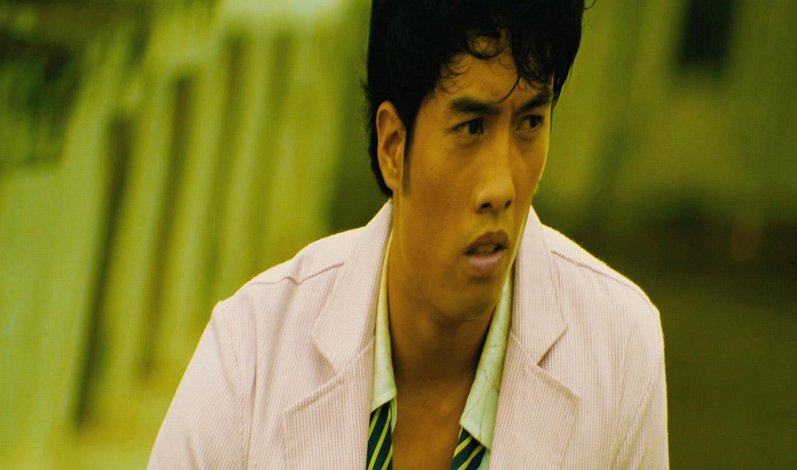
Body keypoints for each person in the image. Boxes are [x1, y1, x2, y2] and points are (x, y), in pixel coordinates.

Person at [150, 0, 669, 468]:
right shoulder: (252, 354)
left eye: (530, 123)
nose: (501, 187)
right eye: (472, 127)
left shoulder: (619, 350)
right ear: (394, 147)